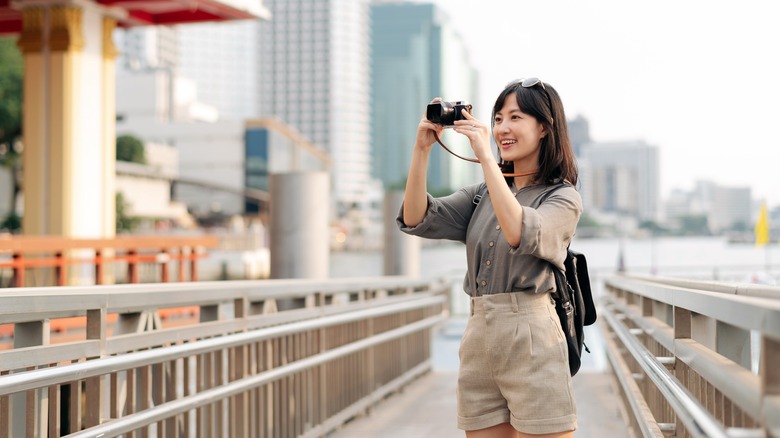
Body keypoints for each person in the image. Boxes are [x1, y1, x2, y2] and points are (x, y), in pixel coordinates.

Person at [396, 78, 582, 438]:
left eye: (515, 117)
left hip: (533, 336)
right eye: (497, 119)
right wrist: (421, 151)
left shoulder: (562, 197)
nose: (502, 129)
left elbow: (519, 231)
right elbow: (417, 217)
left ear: (544, 127)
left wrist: (485, 157)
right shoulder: (482, 194)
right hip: (480, 335)